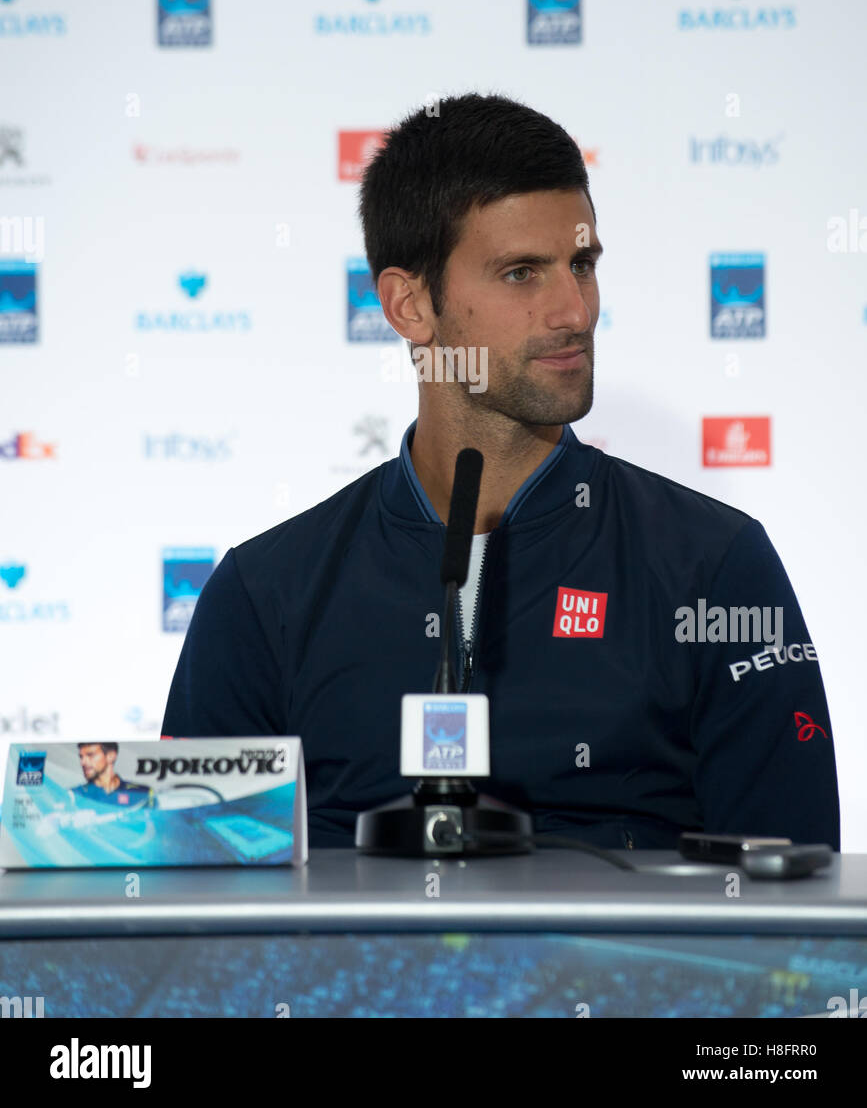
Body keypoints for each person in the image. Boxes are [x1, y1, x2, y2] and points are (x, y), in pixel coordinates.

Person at [162, 92, 840, 851]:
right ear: (409, 305)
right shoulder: (265, 595)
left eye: (580, 265)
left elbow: (792, 923)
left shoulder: (711, 565)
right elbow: (199, 909)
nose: (573, 310)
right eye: (522, 273)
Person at [70, 742, 156, 811]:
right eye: (81, 757)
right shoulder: (74, 795)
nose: (83, 762)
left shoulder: (142, 793)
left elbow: (158, 828)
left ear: (111, 756)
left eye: (90, 755)